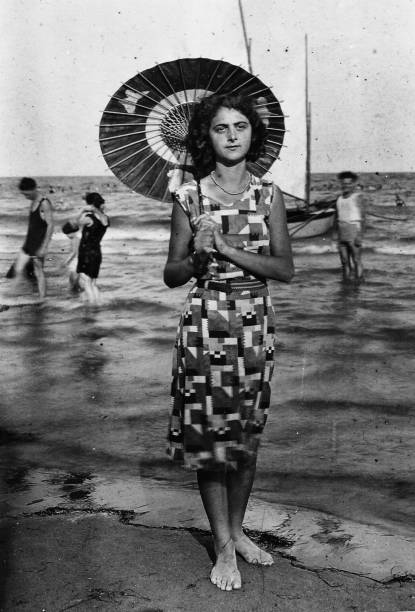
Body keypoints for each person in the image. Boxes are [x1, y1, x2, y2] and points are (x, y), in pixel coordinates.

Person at [164, 93, 294, 592]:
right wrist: (196, 259)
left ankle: (237, 531)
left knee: (246, 437)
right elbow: (172, 274)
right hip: (206, 322)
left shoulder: (269, 195)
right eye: (222, 128)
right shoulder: (189, 197)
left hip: (256, 323)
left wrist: (225, 248)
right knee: (210, 441)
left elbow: (284, 268)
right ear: (208, 137)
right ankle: (222, 546)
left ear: (252, 134)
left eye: (241, 126)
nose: (234, 135)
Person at [13, 177, 54, 298]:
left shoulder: (44, 203)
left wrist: (44, 247)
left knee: (38, 270)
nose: (26, 197)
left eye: (27, 194)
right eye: (24, 195)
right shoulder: (33, 201)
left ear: (33, 189)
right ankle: (35, 293)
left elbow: (50, 225)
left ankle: (42, 299)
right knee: (25, 269)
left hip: (39, 242)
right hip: (31, 241)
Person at [76, 192, 109, 304]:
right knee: (92, 283)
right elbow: (102, 220)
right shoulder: (105, 219)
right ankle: (97, 304)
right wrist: (95, 209)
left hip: (86, 253)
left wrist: (82, 211)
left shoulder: (88, 219)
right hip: (97, 252)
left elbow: (74, 224)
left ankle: (92, 306)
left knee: (86, 282)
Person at [335, 171, 365, 280]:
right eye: (343, 183)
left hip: (353, 231)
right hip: (342, 232)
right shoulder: (339, 198)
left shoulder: (357, 197)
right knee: (344, 261)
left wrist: (360, 236)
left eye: (348, 183)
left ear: (353, 184)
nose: (345, 186)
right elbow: (336, 217)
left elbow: (363, 218)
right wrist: (336, 235)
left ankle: (359, 284)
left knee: (356, 260)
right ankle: (346, 284)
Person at [61, 221, 81, 292]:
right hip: (76, 261)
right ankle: (75, 291)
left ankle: (75, 291)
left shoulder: (75, 239)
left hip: (76, 261)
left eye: (67, 234)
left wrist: (67, 261)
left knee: (74, 279)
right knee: (72, 278)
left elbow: (74, 252)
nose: (67, 236)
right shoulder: (76, 239)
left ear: (72, 232)